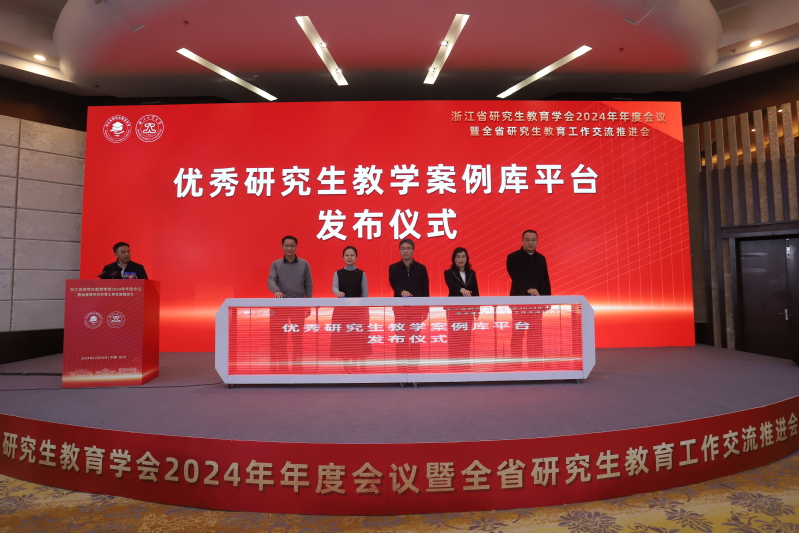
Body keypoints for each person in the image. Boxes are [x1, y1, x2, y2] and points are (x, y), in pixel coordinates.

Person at [267, 236, 313, 371]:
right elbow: (270, 280)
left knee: (297, 338)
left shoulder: (304, 264)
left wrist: (309, 304)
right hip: (280, 306)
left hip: (298, 306)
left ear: (296, 247)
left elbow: (308, 284)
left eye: (292, 246)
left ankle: (297, 366)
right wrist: (276, 291)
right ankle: (283, 367)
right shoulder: (276, 264)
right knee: (280, 338)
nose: (289, 248)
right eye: (286, 246)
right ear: (282, 247)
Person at [506, 230, 551, 360]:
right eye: (527, 240)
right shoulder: (513, 257)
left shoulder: (541, 258)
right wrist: (528, 289)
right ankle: (516, 361)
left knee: (536, 333)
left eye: (533, 240)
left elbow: (545, 279)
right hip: (519, 302)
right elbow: (515, 276)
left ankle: (535, 361)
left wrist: (547, 299)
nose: (530, 243)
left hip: (537, 304)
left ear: (537, 241)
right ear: (522, 241)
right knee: (518, 332)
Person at [388, 239, 429, 363]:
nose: (405, 251)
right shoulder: (393, 268)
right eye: (403, 249)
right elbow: (394, 283)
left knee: (415, 338)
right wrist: (402, 291)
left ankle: (414, 366)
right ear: (399, 251)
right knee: (401, 337)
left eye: (408, 248)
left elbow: (425, 289)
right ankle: (400, 366)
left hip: (417, 310)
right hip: (400, 309)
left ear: (413, 251)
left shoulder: (421, 268)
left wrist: (426, 309)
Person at [331, 246, 369, 370]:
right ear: (343, 257)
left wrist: (366, 312)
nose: (349, 257)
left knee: (357, 338)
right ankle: (346, 366)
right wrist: (338, 293)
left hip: (358, 312)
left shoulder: (361, 274)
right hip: (341, 312)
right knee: (344, 339)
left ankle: (357, 364)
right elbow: (334, 287)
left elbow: (365, 294)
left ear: (356, 257)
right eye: (347, 255)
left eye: (352, 255)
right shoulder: (338, 273)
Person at [444, 247, 480, 369]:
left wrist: (477, 308)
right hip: (454, 310)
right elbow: (451, 285)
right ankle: (453, 364)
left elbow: (475, 290)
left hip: (467, 310)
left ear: (467, 258)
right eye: (458, 256)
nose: (461, 259)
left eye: (463, 256)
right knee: (454, 337)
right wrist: (461, 290)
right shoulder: (449, 273)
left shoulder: (471, 273)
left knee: (466, 337)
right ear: (454, 259)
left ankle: (465, 364)